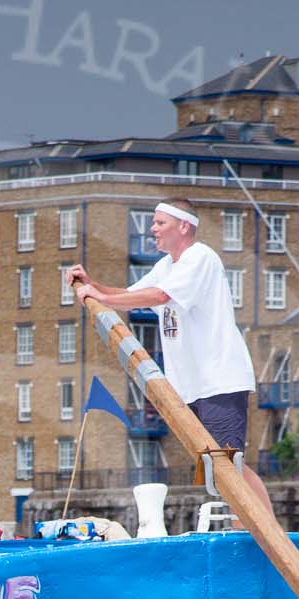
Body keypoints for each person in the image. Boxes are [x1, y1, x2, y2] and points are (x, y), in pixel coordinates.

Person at [65, 199, 265, 497]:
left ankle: (250, 536)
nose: (152, 229)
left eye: (160, 223)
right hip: (190, 387)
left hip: (218, 381)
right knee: (218, 466)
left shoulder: (200, 258)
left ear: (184, 226)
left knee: (226, 467)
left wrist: (100, 296)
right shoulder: (166, 266)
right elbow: (134, 296)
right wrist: (92, 285)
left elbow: (159, 296)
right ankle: (257, 532)